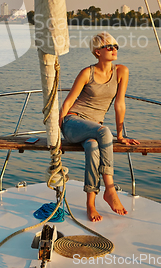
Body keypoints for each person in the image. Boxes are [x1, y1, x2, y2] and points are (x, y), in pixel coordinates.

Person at [59, 31, 139, 222]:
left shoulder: (121, 71)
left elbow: (119, 104)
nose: (113, 49)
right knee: (104, 132)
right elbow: (68, 102)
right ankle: (110, 190)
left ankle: (91, 204)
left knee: (93, 146)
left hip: (93, 130)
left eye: (115, 46)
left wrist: (120, 135)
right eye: (108, 46)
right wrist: (58, 131)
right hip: (73, 123)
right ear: (97, 52)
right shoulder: (87, 73)